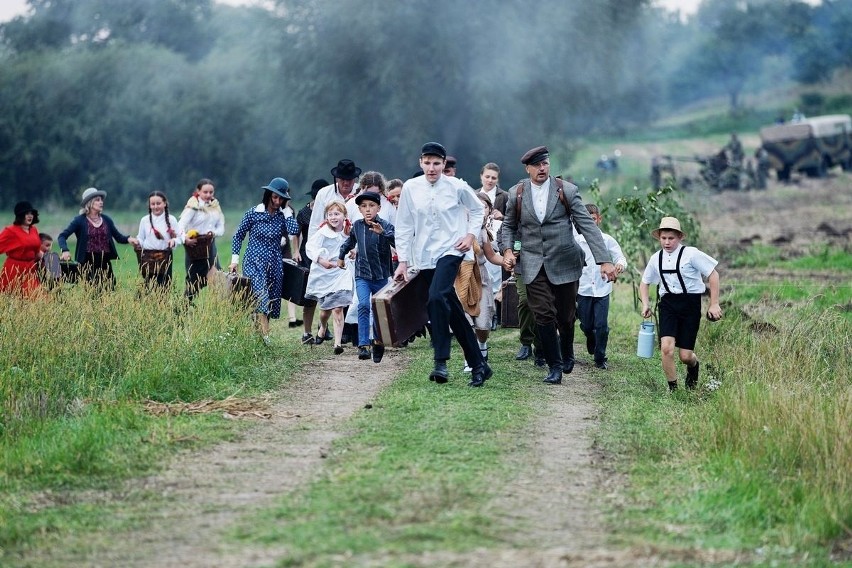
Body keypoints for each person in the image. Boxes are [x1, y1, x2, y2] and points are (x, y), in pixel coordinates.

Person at [501, 146, 617, 385]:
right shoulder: (517, 193)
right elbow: (508, 226)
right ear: (528, 168)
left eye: (545, 163)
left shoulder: (567, 191)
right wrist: (508, 250)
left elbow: (587, 225)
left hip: (564, 261)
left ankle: (567, 351)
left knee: (565, 317)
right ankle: (554, 366)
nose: (542, 168)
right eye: (537, 165)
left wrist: (604, 260)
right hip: (532, 263)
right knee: (543, 315)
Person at [393, 142, 491, 387]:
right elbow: (404, 225)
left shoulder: (457, 186)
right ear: (420, 163)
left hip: (451, 250)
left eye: (437, 163)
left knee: (436, 297)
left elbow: (478, 210)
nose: (432, 168)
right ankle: (479, 365)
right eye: (427, 163)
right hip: (423, 256)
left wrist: (469, 235)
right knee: (453, 310)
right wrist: (403, 262)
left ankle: (440, 361)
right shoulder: (411, 188)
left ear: (444, 164)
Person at [640, 217, 722, 391]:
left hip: (690, 304)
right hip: (668, 303)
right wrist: (645, 304)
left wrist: (714, 304)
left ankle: (694, 366)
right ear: (659, 238)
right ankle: (673, 389)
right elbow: (644, 281)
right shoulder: (656, 258)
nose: (667, 242)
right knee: (666, 348)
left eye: (671, 238)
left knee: (685, 356)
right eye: (663, 238)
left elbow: (713, 275)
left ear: (679, 237)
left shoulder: (691, 254)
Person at [229, 178, 299, 344]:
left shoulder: (283, 216)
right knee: (262, 298)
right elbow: (238, 236)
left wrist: (287, 209)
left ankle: (258, 336)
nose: (277, 201)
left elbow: (294, 230)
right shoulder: (254, 213)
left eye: (282, 198)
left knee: (271, 301)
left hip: (274, 262)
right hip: (254, 261)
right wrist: (234, 260)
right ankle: (266, 338)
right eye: (275, 197)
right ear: (268, 195)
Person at [337, 191, 395, 362]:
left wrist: (383, 233)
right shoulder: (357, 226)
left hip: (381, 277)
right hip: (362, 275)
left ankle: (378, 341)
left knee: (379, 310)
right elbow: (349, 242)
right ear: (359, 209)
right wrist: (341, 256)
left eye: (371, 206)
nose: (368, 210)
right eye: (364, 206)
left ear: (379, 207)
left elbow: (398, 241)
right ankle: (363, 345)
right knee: (363, 305)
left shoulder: (386, 226)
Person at [575, 204, 627, 370]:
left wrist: (618, 265)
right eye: (586, 220)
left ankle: (600, 357)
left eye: (593, 219)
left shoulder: (607, 240)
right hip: (583, 289)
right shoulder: (577, 241)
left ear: (599, 219)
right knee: (586, 324)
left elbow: (620, 257)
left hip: (602, 288)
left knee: (602, 326)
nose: (590, 223)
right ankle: (589, 336)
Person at [58, 188, 140, 290]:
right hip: (87, 264)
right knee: (93, 294)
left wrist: (129, 239)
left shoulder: (106, 219)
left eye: (101, 200)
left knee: (109, 293)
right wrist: (65, 250)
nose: (101, 202)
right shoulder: (79, 221)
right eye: (97, 200)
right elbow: (62, 236)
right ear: (90, 202)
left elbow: (118, 237)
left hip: (105, 262)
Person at [459, 192, 504, 372]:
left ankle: (482, 345)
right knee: (465, 323)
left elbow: (492, 256)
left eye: (484, 206)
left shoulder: (483, 231)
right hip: (461, 277)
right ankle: (469, 360)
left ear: (489, 210)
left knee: (483, 324)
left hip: (481, 278)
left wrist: (508, 260)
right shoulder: (457, 227)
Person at [306, 201, 353, 355]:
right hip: (324, 273)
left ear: (344, 216)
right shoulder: (322, 232)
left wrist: (353, 252)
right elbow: (310, 248)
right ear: (327, 217)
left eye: (337, 214)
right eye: (330, 214)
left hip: (341, 271)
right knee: (325, 311)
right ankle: (323, 326)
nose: (333, 217)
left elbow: (353, 247)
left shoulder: (348, 232)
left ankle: (337, 344)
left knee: (338, 308)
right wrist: (321, 261)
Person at [178, 178, 225, 303]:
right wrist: (185, 239)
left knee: (218, 279)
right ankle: (181, 311)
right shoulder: (192, 207)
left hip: (210, 247)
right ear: (198, 191)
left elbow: (221, 227)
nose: (208, 195)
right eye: (205, 192)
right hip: (195, 249)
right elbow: (180, 226)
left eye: (211, 192)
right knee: (193, 283)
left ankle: (217, 311)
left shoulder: (215, 206)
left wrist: (214, 233)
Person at [296, 179, 329, 344]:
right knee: (309, 297)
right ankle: (306, 332)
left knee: (328, 295)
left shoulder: (331, 212)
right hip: (308, 256)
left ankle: (324, 328)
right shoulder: (303, 213)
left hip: (326, 255)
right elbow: (296, 233)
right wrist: (296, 251)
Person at [135, 191, 183, 292]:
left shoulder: (171, 219)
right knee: (148, 286)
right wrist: (137, 242)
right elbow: (141, 238)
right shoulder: (144, 220)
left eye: (158, 203)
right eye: (153, 204)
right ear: (149, 205)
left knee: (164, 286)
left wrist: (174, 241)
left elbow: (180, 236)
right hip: (148, 257)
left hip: (165, 257)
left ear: (164, 203)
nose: (156, 206)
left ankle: (162, 307)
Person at [0, 201, 44, 295]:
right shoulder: (10, 231)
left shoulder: (33, 230)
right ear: (20, 215)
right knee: (13, 300)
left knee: (38, 298)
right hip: (13, 270)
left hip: (30, 270)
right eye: (27, 213)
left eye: (31, 213)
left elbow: (37, 250)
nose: (30, 216)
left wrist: (49, 258)